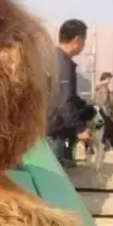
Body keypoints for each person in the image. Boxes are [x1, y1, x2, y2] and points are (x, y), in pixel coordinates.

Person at [47, 19, 91, 168]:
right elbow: (64, 101)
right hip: (52, 130)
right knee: (53, 173)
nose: (84, 45)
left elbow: (68, 96)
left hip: (51, 127)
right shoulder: (62, 64)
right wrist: (80, 129)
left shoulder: (55, 58)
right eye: (84, 41)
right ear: (77, 40)